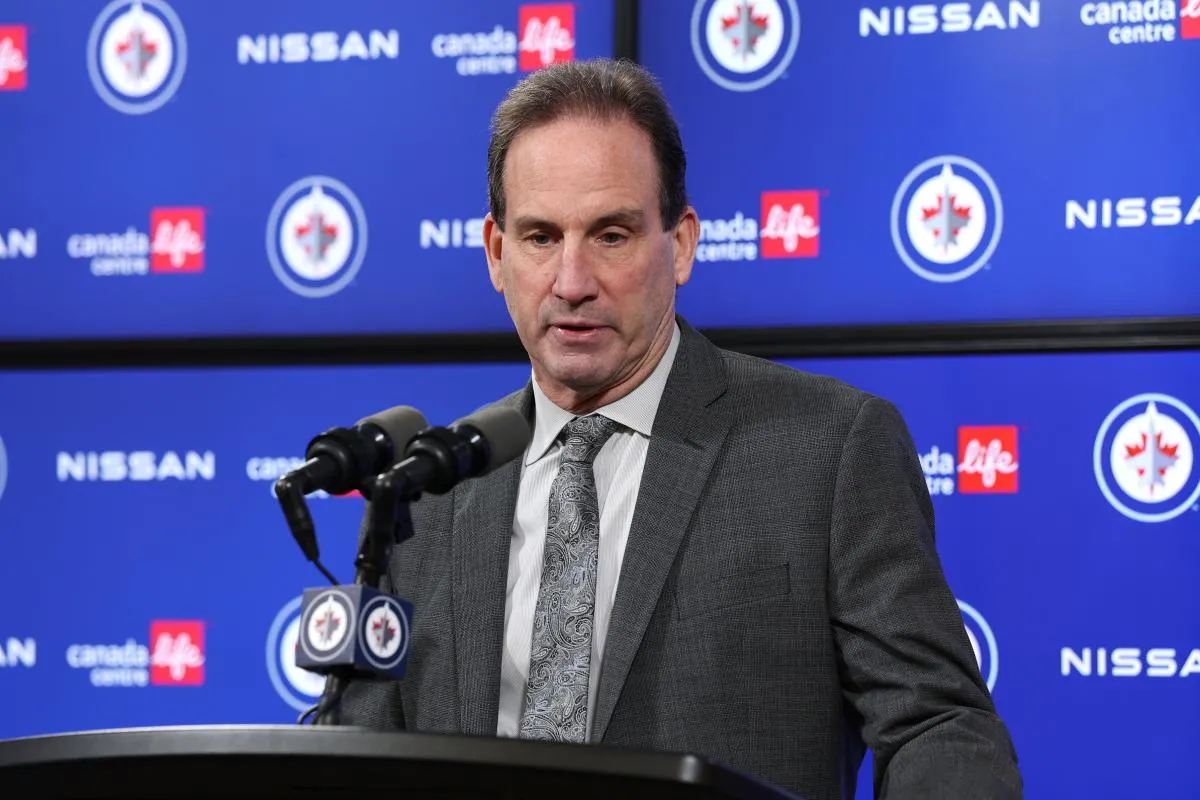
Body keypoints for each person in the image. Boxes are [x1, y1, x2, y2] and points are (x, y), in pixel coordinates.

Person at [334, 58, 1022, 800]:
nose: (571, 281)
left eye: (611, 234)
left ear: (683, 243)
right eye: (539, 237)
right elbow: (356, 753)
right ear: (497, 255)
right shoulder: (431, 491)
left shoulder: (828, 449)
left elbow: (938, 727)